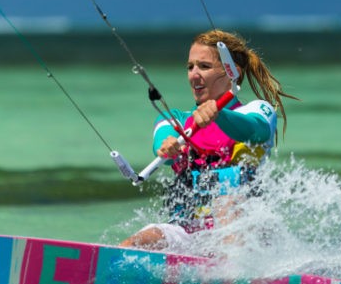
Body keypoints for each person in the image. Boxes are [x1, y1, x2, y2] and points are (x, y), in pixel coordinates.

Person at [120, 30, 294, 250]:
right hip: (189, 235)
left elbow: (255, 130)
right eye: (190, 67)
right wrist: (166, 146)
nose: (194, 74)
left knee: (226, 203)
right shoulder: (176, 119)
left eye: (204, 66)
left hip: (250, 233)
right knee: (138, 241)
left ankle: (232, 278)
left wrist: (219, 114)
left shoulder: (258, 110)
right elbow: (162, 137)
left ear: (232, 72)